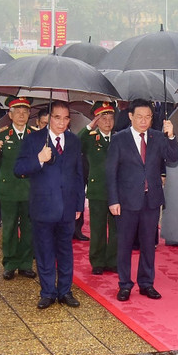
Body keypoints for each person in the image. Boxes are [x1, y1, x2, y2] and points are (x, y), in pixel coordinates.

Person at [106, 98, 178, 302]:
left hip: (151, 200)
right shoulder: (119, 139)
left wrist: (171, 135)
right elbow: (110, 172)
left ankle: (146, 283)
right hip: (126, 201)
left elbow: (172, 158)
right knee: (125, 245)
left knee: (148, 244)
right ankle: (125, 284)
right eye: (139, 116)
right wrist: (113, 200)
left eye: (148, 117)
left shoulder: (157, 137)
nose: (144, 121)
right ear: (130, 116)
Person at [14, 101, 84, 309]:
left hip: (67, 207)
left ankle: (65, 291)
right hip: (43, 207)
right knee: (44, 252)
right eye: (57, 117)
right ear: (49, 118)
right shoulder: (34, 139)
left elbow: (79, 174)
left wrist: (79, 204)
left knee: (65, 251)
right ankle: (47, 292)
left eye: (65, 118)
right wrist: (39, 159)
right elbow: (18, 169)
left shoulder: (73, 141)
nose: (62, 123)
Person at [0, 96, 36, 281]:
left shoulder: (35, 134)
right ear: (10, 114)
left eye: (25, 111)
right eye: (17, 111)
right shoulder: (1, 134)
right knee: (8, 228)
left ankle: (25, 264)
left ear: (29, 114)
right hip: (8, 189)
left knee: (28, 228)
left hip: (29, 189)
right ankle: (9, 263)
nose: (21, 115)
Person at [79, 101, 119, 275]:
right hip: (97, 189)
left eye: (111, 118)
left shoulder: (119, 138)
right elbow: (75, 143)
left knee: (117, 228)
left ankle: (113, 260)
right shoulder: (90, 137)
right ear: (96, 119)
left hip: (117, 191)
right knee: (97, 228)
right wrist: (89, 126)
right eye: (103, 118)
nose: (108, 122)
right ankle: (97, 261)